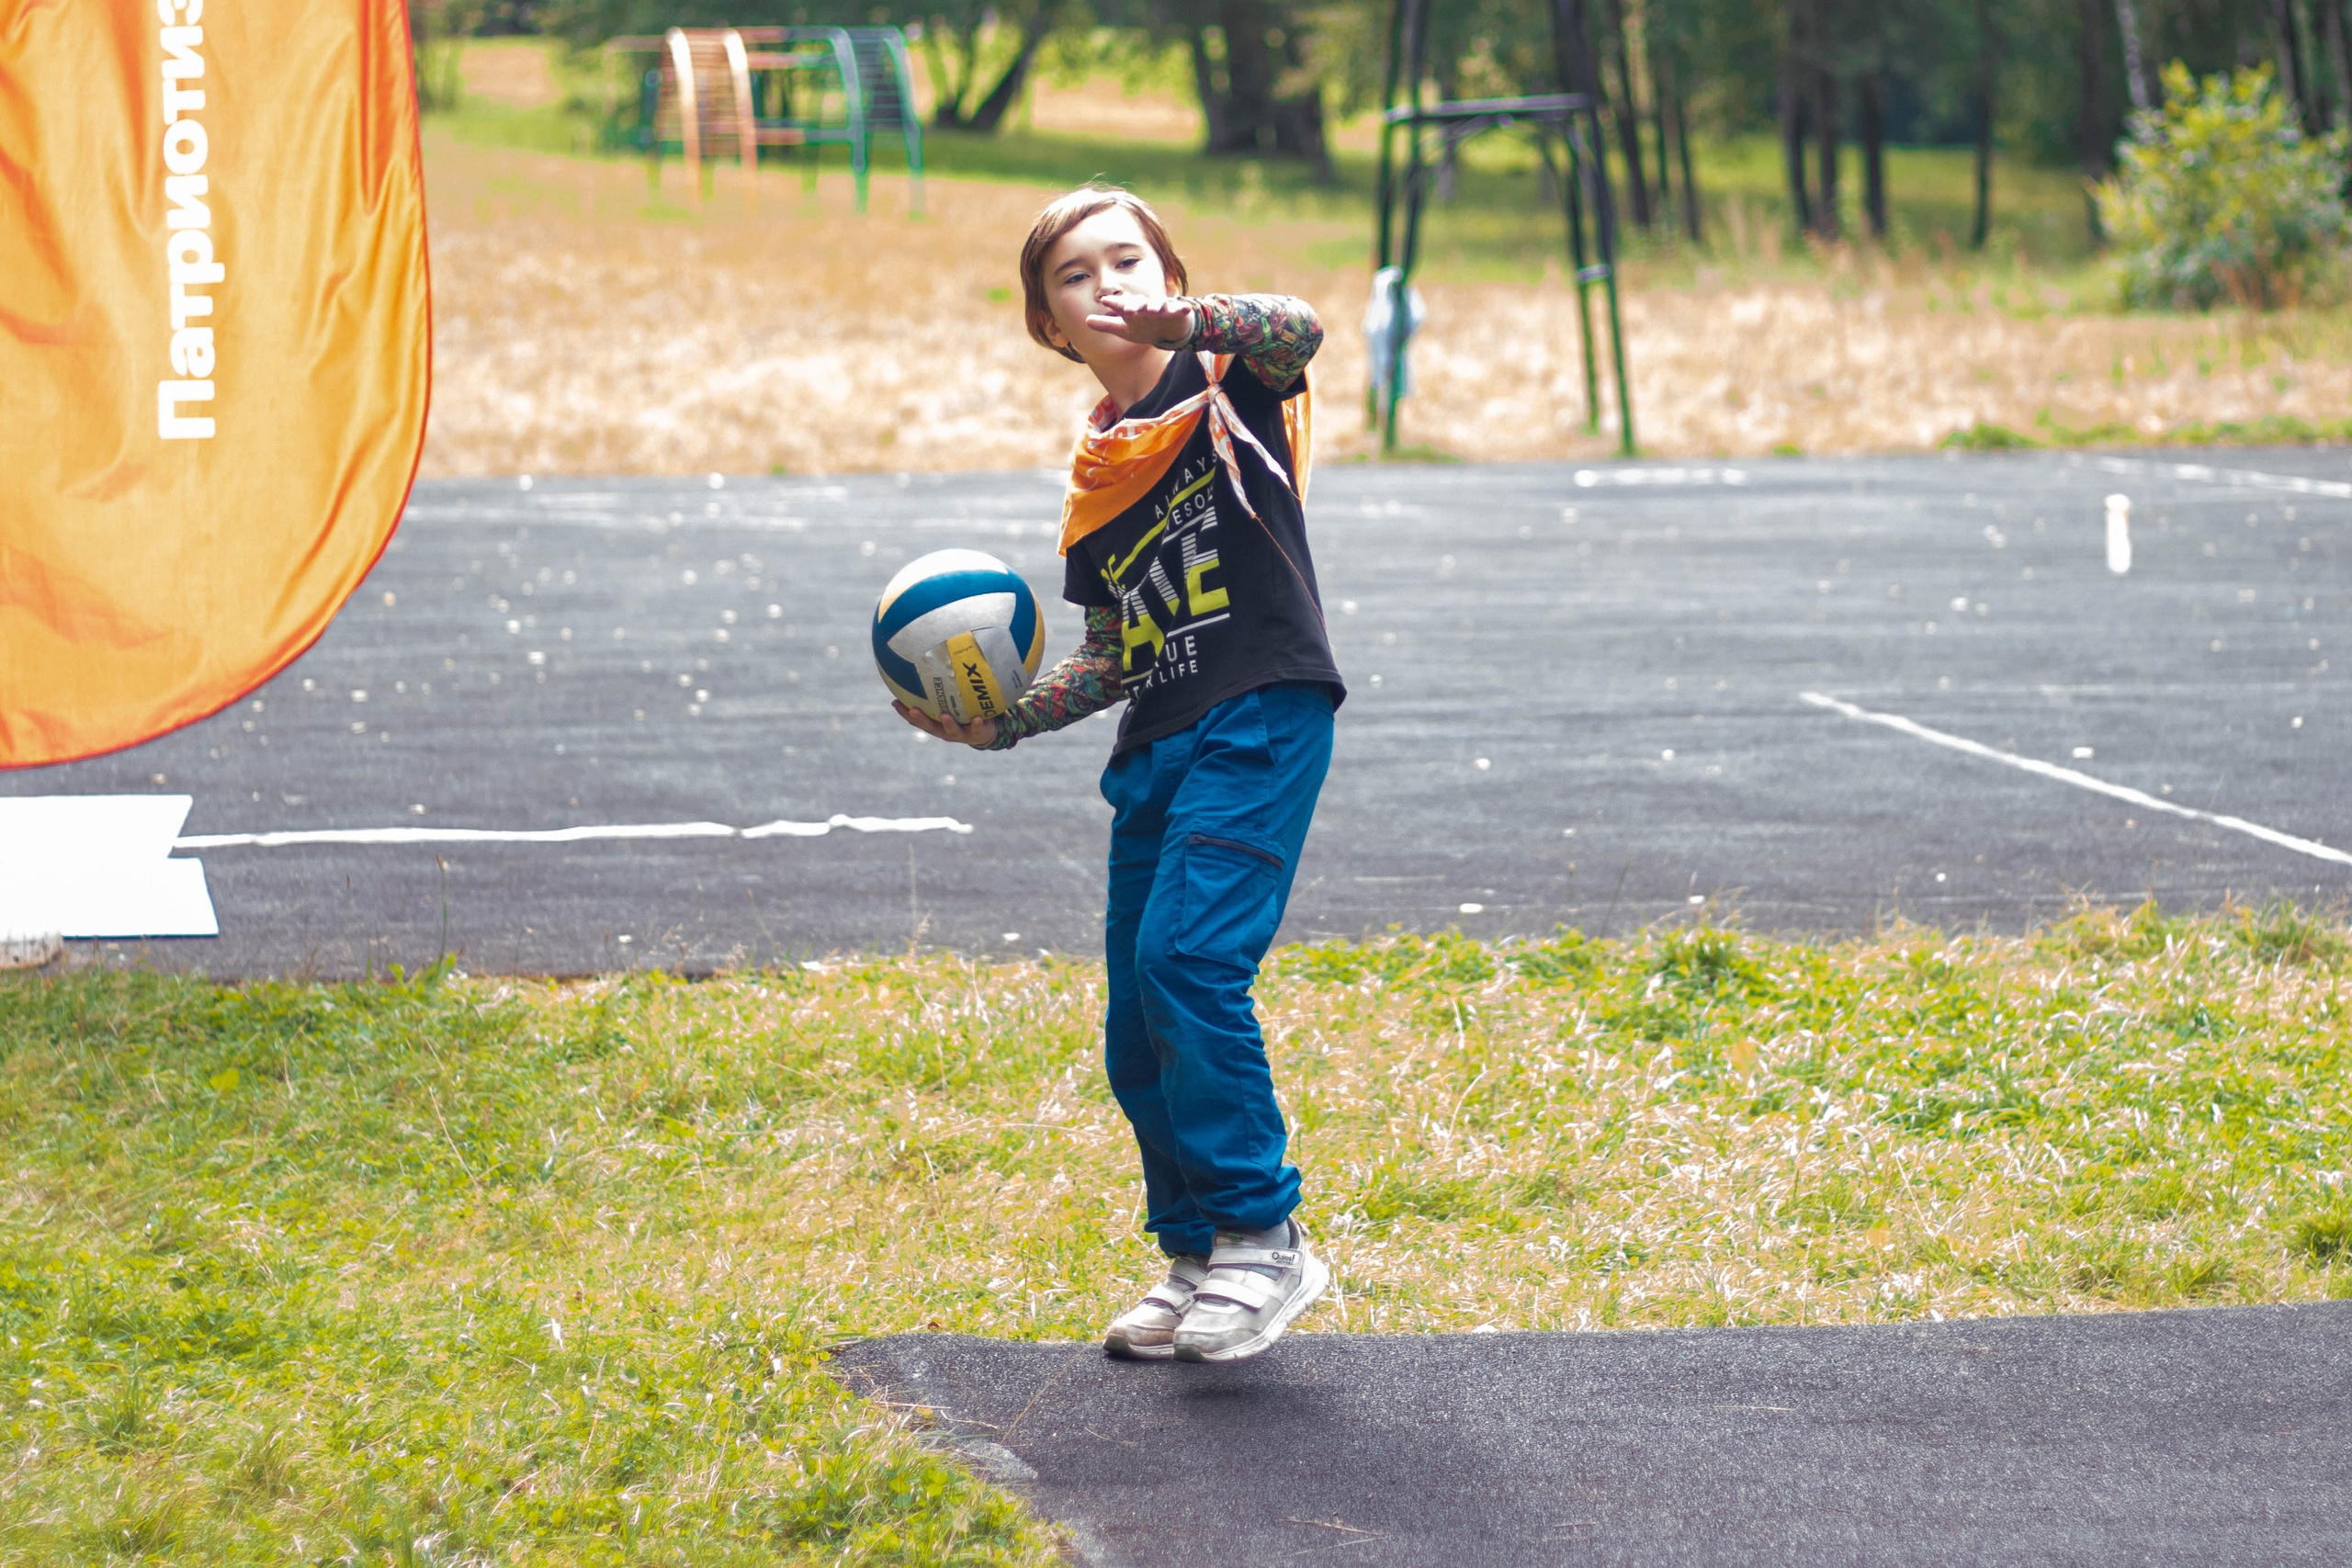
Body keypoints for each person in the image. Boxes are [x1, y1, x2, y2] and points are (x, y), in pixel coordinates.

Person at [893, 185, 1343, 1365]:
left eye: (1127, 260)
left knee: (1188, 961)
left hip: (1258, 706)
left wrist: (1189, 320)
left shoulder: (1229, 384)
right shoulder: (1099, 470)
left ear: (1170, 275)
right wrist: (1003, 724)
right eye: (1076, 276)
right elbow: (1112, 652)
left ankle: (1265, 1238)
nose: (1108, 285)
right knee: (1135, 1022)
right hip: (1156, 739)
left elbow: (1297, 325)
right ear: (1049, 322)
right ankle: (1195, 1253)